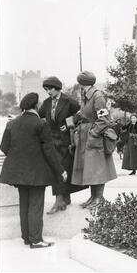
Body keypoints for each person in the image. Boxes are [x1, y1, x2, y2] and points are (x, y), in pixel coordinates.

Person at [0, 93, 66, 248]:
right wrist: (60, 170)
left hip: (19, 173)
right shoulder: (41, 124)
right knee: (36, 205)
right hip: (37, 173)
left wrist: (19, 158)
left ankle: (27, 238)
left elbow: (4, 147)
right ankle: (36, 240)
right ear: (36, 105)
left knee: (24, 204)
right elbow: (49, 151)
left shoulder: (12, 123)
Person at [38, 76, 87, 214]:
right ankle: (62, 199)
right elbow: (39, 115)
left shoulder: (69, 101)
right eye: (46, 89)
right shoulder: (47, 102)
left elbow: (81, 114)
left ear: (57, 88)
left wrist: (67, 124)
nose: (48, 92)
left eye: (50, 89)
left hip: (66, 141)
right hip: (52, 140)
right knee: (57, 168)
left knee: (64, 168)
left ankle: (61, 200)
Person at [72, 71, 117, 209]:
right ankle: (93, 197)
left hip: (94, 136)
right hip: (86, 134)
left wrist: (93, 133)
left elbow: (104, 119)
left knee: (98, 168)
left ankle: (99, 198)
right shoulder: (87, 96)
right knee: (90, 168)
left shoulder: (97, 96)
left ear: (82, 83)